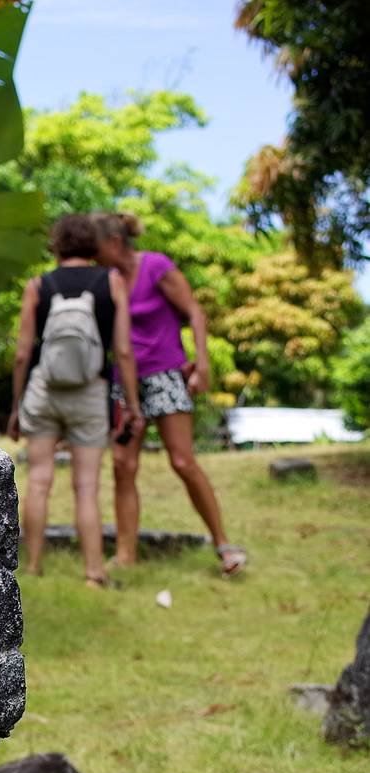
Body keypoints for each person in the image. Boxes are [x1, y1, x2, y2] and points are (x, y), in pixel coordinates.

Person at [92, 212, 247, 576]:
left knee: (182, 461)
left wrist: (203, 363)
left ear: (114, 242)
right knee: (122, 465)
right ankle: (126, 554)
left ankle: (223, 544)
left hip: (164, 372)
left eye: (96, 247)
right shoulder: (108, 280)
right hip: (124, 380)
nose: (93, 255)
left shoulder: (156, 266)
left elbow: (194, 311)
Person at [9, 213, 142, 588]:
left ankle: (32, 567)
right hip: (90, 392)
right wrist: (131, 403)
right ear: (91, 244)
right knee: (86, 486)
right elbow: (123, 350)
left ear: (57, 245)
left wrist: (17, 404)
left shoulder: (39, 285)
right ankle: (93, 572)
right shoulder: (111, 281)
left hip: (44, 389)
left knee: (38, 481)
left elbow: (22, 352)